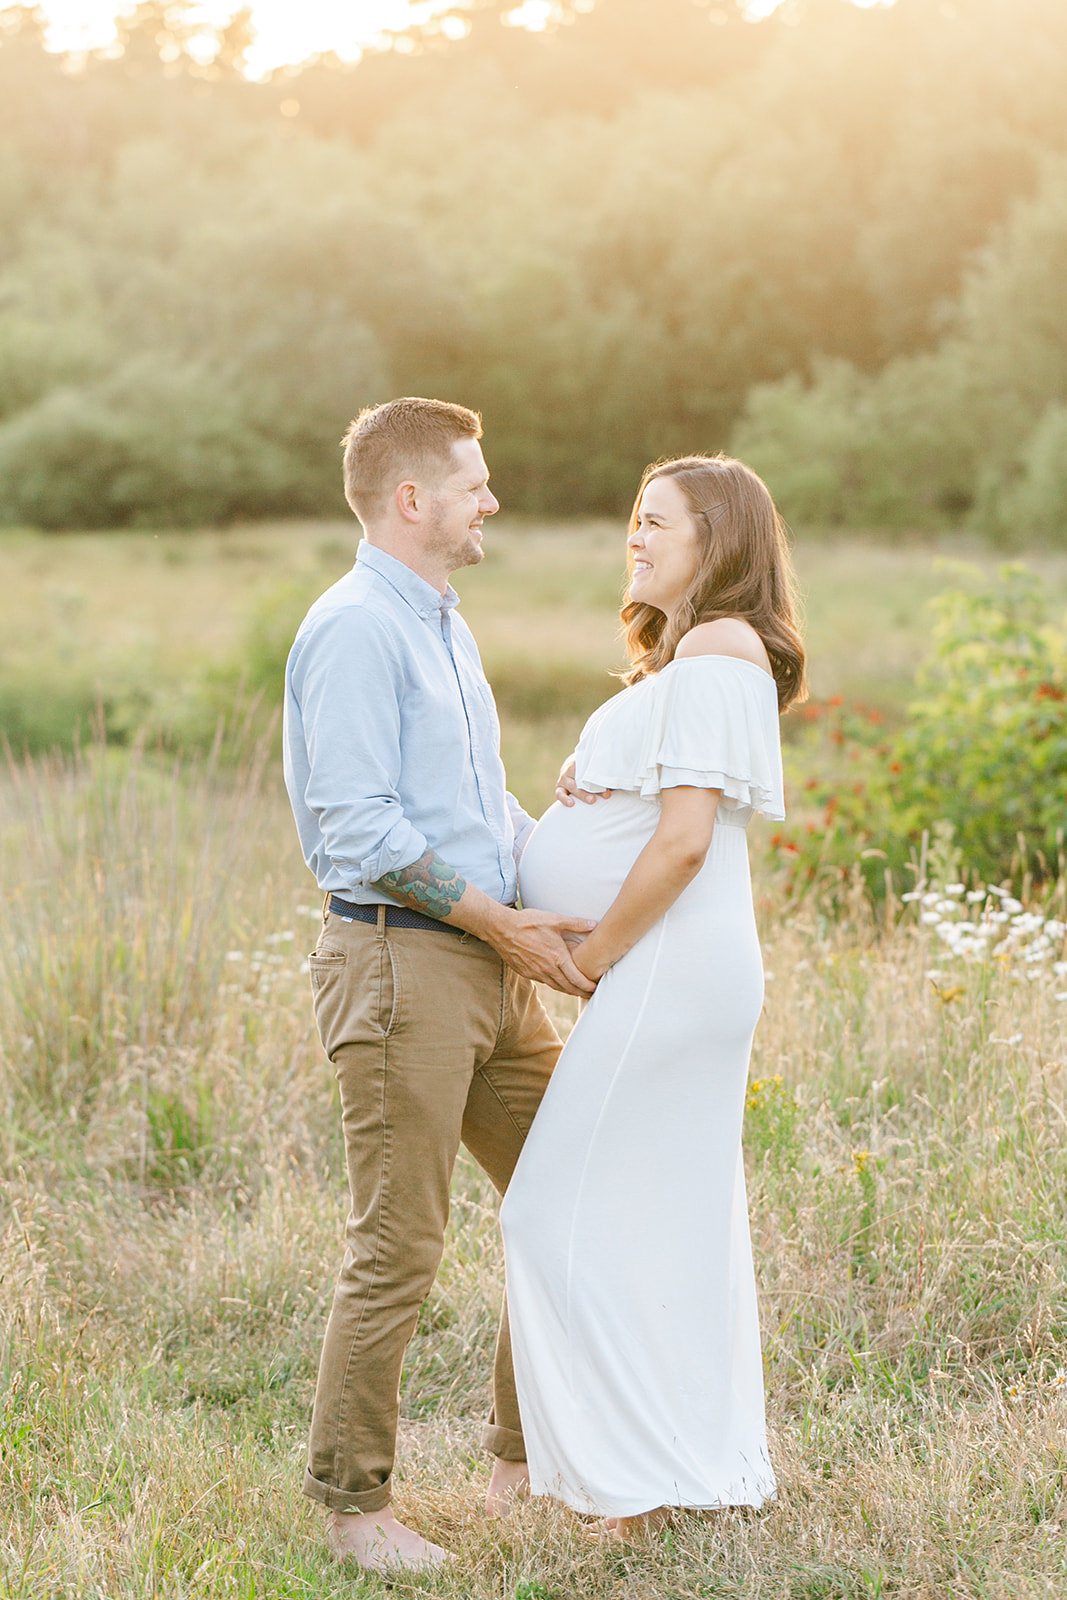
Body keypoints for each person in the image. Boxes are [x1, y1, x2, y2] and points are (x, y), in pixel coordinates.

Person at [282, 397, 596, 1574]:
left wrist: (564, 849)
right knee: (399, 1241)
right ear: (410, 499)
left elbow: (470, 811)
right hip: (399, 962)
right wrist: (499, 929)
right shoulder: (358, 627)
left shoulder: (442, 624)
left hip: (483, 959)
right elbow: (359, 829)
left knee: (569, 1190)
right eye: (472, 482)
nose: (490, 499)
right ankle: (355, 1509)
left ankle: (523, 1467)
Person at [500, 453, 806, 1536]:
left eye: (657, 522)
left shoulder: (719, 649)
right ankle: (680, 1465)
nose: (634, 536)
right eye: (632, 518)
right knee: (665, 1218)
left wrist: (590, 959)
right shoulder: (691, 659)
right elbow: (653, 811)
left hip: (667, 965)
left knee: (550, 1216)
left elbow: (679, 846)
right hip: (675, 965)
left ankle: (628, 1477)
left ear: (716, 539)